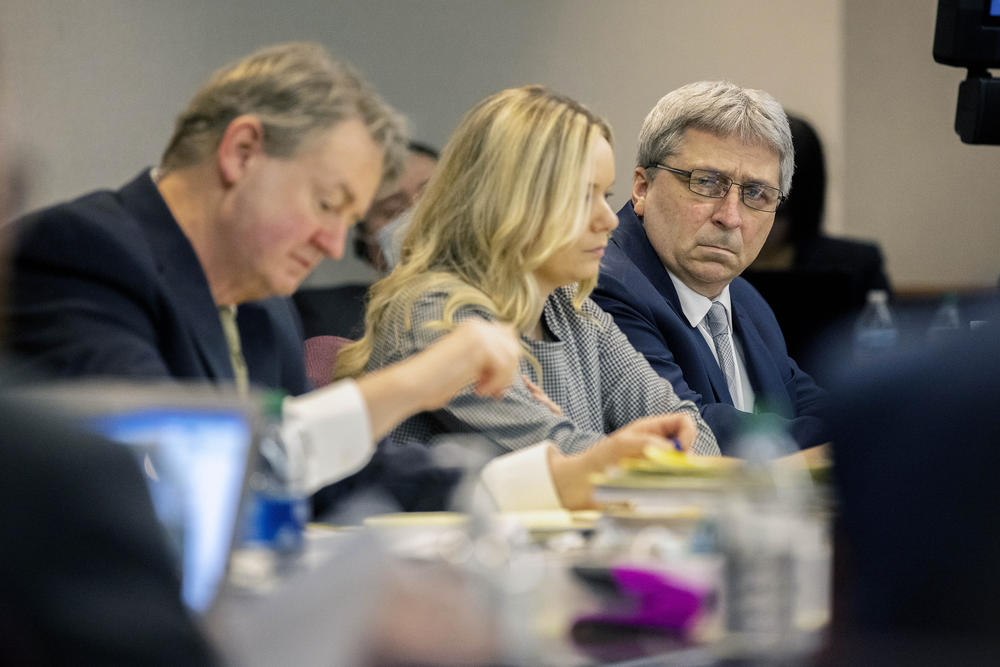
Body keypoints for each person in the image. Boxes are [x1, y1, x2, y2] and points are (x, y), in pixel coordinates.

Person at [6, 43, 685, 513]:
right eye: (327, 204)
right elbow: (177, 475)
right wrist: (422, 377)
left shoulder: (264, 304)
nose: (336, 242)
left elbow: (333, 477)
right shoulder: (78, 253)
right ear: (242, 151)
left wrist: (557, 478)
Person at [335, 85, 719, 482]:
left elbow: (692, 434)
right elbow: (562, 465)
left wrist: (650, 453)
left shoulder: (576, 310)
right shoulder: (436, 315)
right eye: (581, 197)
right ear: (510, 201)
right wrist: (643, 452)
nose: (610, 220)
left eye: (605, 195)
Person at [591, 81, 830, 456]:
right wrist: (850, 444)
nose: (730, 217)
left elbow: (813, 406)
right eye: (706, 182)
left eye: (756, 194)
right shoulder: (605, 284)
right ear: (642, 188)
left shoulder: (744, 299)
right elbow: (689, 431)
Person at [743, 114, 891, 369]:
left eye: (779, 207)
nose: (762, 219)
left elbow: (883, 355)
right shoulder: (711, 264)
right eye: (753, 195)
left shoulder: (856, 264)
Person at [292, 141, 438, 339]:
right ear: (364, 234)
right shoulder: (319, 317)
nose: (417, 218)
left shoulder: (491, 306)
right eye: (392, 210)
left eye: (432, 200)